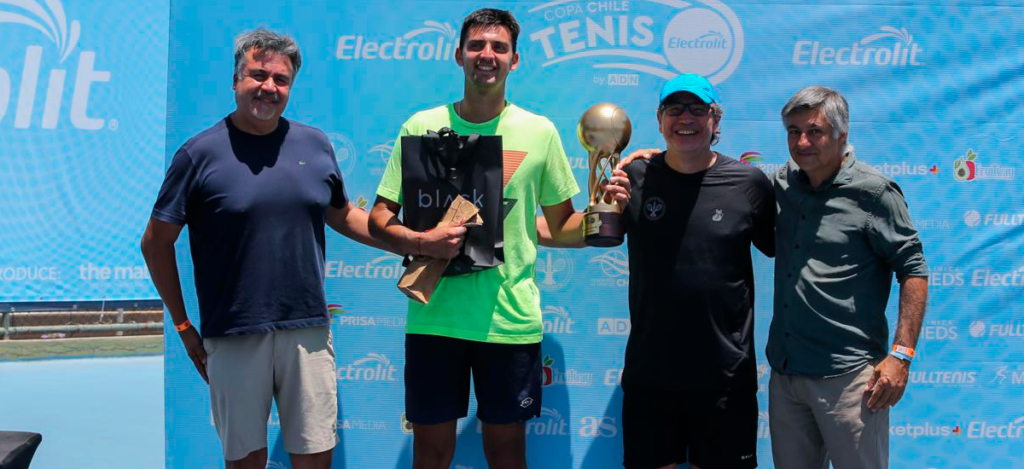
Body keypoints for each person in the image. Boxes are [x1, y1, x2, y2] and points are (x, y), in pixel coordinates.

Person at [368, 8, 629, 469]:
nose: (486, 55)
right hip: (435, 320)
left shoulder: (539, 131)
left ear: (514, 60)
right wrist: (422, 242)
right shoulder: (420, 126)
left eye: (499, 48)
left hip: (509, 321)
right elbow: (379, 218)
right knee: (430, 454)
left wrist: (602, 214)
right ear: (458, 56)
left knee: (507, 453)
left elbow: (561, 225)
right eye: (476, 46)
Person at [141, 28, 387, 469]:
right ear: (236, 80)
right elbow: (155, 243)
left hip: (307, 330)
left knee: (315, 456)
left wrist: (411, 240)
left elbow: (343, 215)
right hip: (234, 333)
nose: (269, 87)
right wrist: (182, 326)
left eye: (281, 79)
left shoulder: (315, 144)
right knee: (246, 460)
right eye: (258, 75)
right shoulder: (198, 154)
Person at [611, 74, 774, 469]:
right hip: (651, 373)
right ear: (660, 118)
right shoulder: (633, 178)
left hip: (724, 375)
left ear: (715, 120)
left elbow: (782, 249)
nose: (687, 118)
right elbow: (587, 231)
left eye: (698, 109)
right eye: (675, 108)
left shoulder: (749, 182)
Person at [767, 85, 929, 469]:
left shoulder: (875, 193)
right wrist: (657, 157)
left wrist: (901, 356)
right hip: (786, 376)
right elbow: (715, 176)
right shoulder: (782, 182)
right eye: (793, 131)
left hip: (851, 379)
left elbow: (914, 271)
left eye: (815, 131)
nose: (802, 141)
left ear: (843, 134)